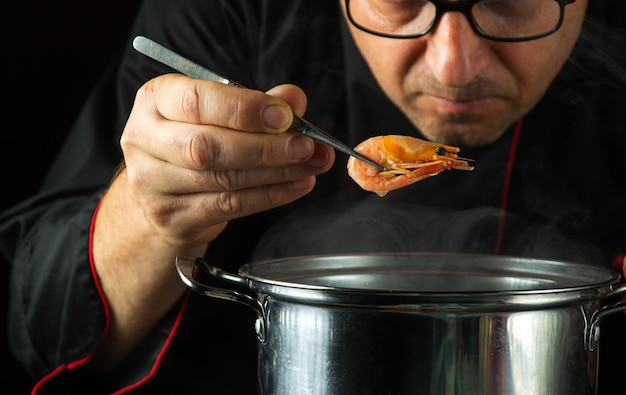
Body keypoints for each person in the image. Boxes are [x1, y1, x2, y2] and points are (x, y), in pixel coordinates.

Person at [2, 0, 625, 393]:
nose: (453, 66)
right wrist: (149, 215)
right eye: (400, 2)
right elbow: (38, 332)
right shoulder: (231, 12)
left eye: (511, 2)